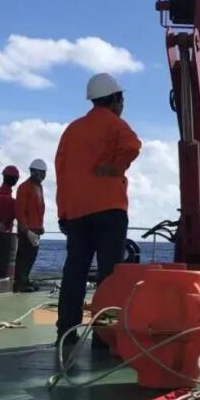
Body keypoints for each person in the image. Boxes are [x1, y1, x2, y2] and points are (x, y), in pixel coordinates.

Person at [55, 73, 141, 345]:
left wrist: (63, 212)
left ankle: (65, 332)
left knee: (74, 273)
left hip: (77, 213)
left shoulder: (73, 130)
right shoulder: (115, 125)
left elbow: (62, 172)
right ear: (115, 99)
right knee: (109, 276)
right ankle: (104, 337)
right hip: (109, 210)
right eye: (122, 98)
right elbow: (132, 146)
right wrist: (115, 168)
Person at [13, 159, 47, 292]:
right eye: (42, 173)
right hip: (27, 229)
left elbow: (39, 208)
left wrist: (40, 226)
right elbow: (20, 211)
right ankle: (20, 283)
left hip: (36, 229)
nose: (43, 176)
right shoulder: (24, 188)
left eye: (44, 173)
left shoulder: (39, 187)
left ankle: (25, 279)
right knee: (24, 256)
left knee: (31, 256)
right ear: (34, 172)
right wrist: (26, 230)